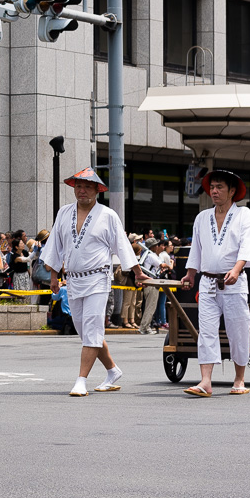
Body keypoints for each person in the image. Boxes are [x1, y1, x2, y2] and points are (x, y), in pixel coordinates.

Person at [42, 169, 144, 396]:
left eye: (88, 186)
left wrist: (137, 272)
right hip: (73, 280)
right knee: (86, 331)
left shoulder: (108, 215)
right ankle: (113, 370)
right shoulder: (64, 213)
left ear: (97, 189)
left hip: (98, 278)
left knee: (91, 328)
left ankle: (81, 380)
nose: (82, 191)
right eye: (79, 186)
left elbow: (122, 245)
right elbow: (56, 246)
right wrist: (53, 276)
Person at [179, 170, 250, 397]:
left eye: (220, 187)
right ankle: (206, 381)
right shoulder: (202, 217)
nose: (214, 191)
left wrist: (237, 269)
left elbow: (248, 245)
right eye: (212, 187)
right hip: (207, 282)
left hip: (234, 282)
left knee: (238, 331)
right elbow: (196, 249)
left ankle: (239, 379)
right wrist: (190, 274)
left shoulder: (244, 215)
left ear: (232, 191)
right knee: (206, 331)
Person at [132, 237, 162, 335]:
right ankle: (145, 327)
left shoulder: (149, 254)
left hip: (150, 282)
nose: (157, 246)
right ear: (152, 247)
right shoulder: (151, 255)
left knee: (150, 306)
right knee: (151, 306)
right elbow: (162, 264)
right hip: (151, 282)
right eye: (156, 245)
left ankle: (145, 326)